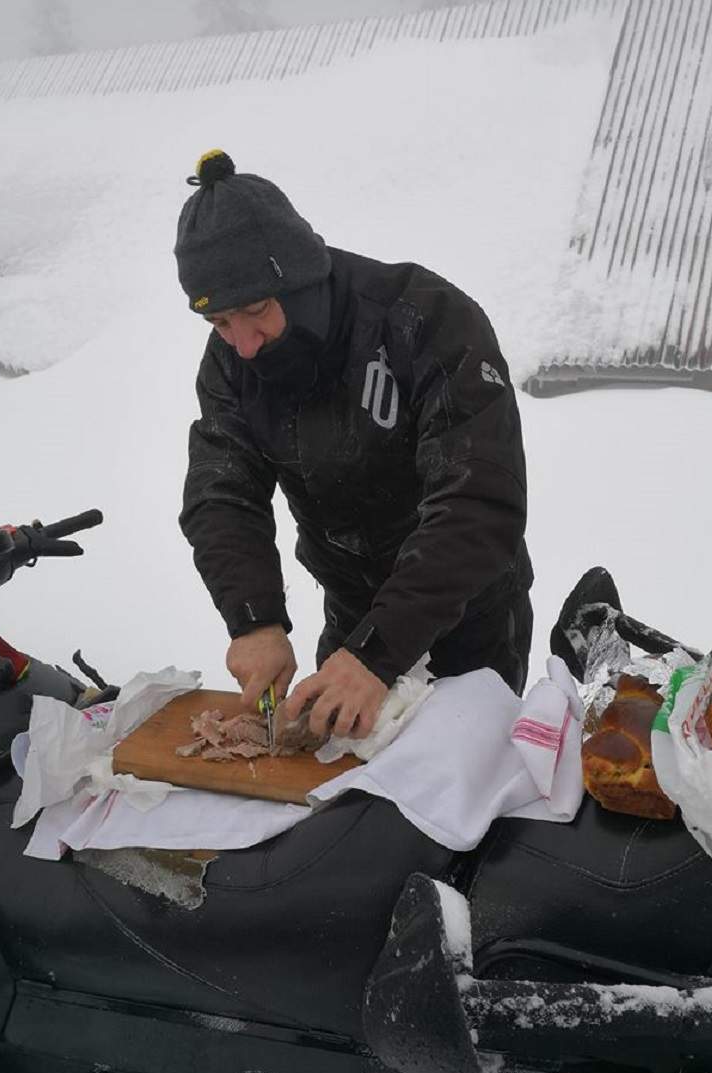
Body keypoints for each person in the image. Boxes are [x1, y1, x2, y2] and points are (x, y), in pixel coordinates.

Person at [175, 149, 533, 741]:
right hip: (351, 620)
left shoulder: (423, 319)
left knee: (463, 794)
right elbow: (221, 490)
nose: (241, 344)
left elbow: (479, 500)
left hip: (467, 616)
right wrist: (254, 617)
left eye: (254, 310)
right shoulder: (232, 364)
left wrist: (379, 652)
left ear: (299, 277)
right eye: (218, 323)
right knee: (345, 792)